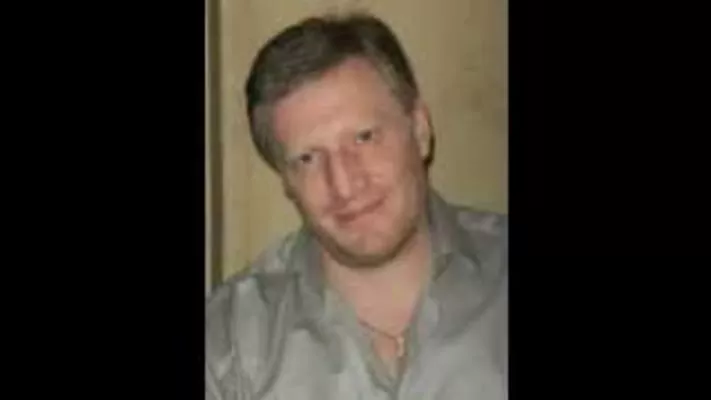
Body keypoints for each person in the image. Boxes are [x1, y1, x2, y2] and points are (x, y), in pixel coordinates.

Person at [206, 12, 507, 400]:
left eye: (365, 137)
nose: (345, 185)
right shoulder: (228, 341)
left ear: (420, 130)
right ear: (287, 181)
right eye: (308, 158)